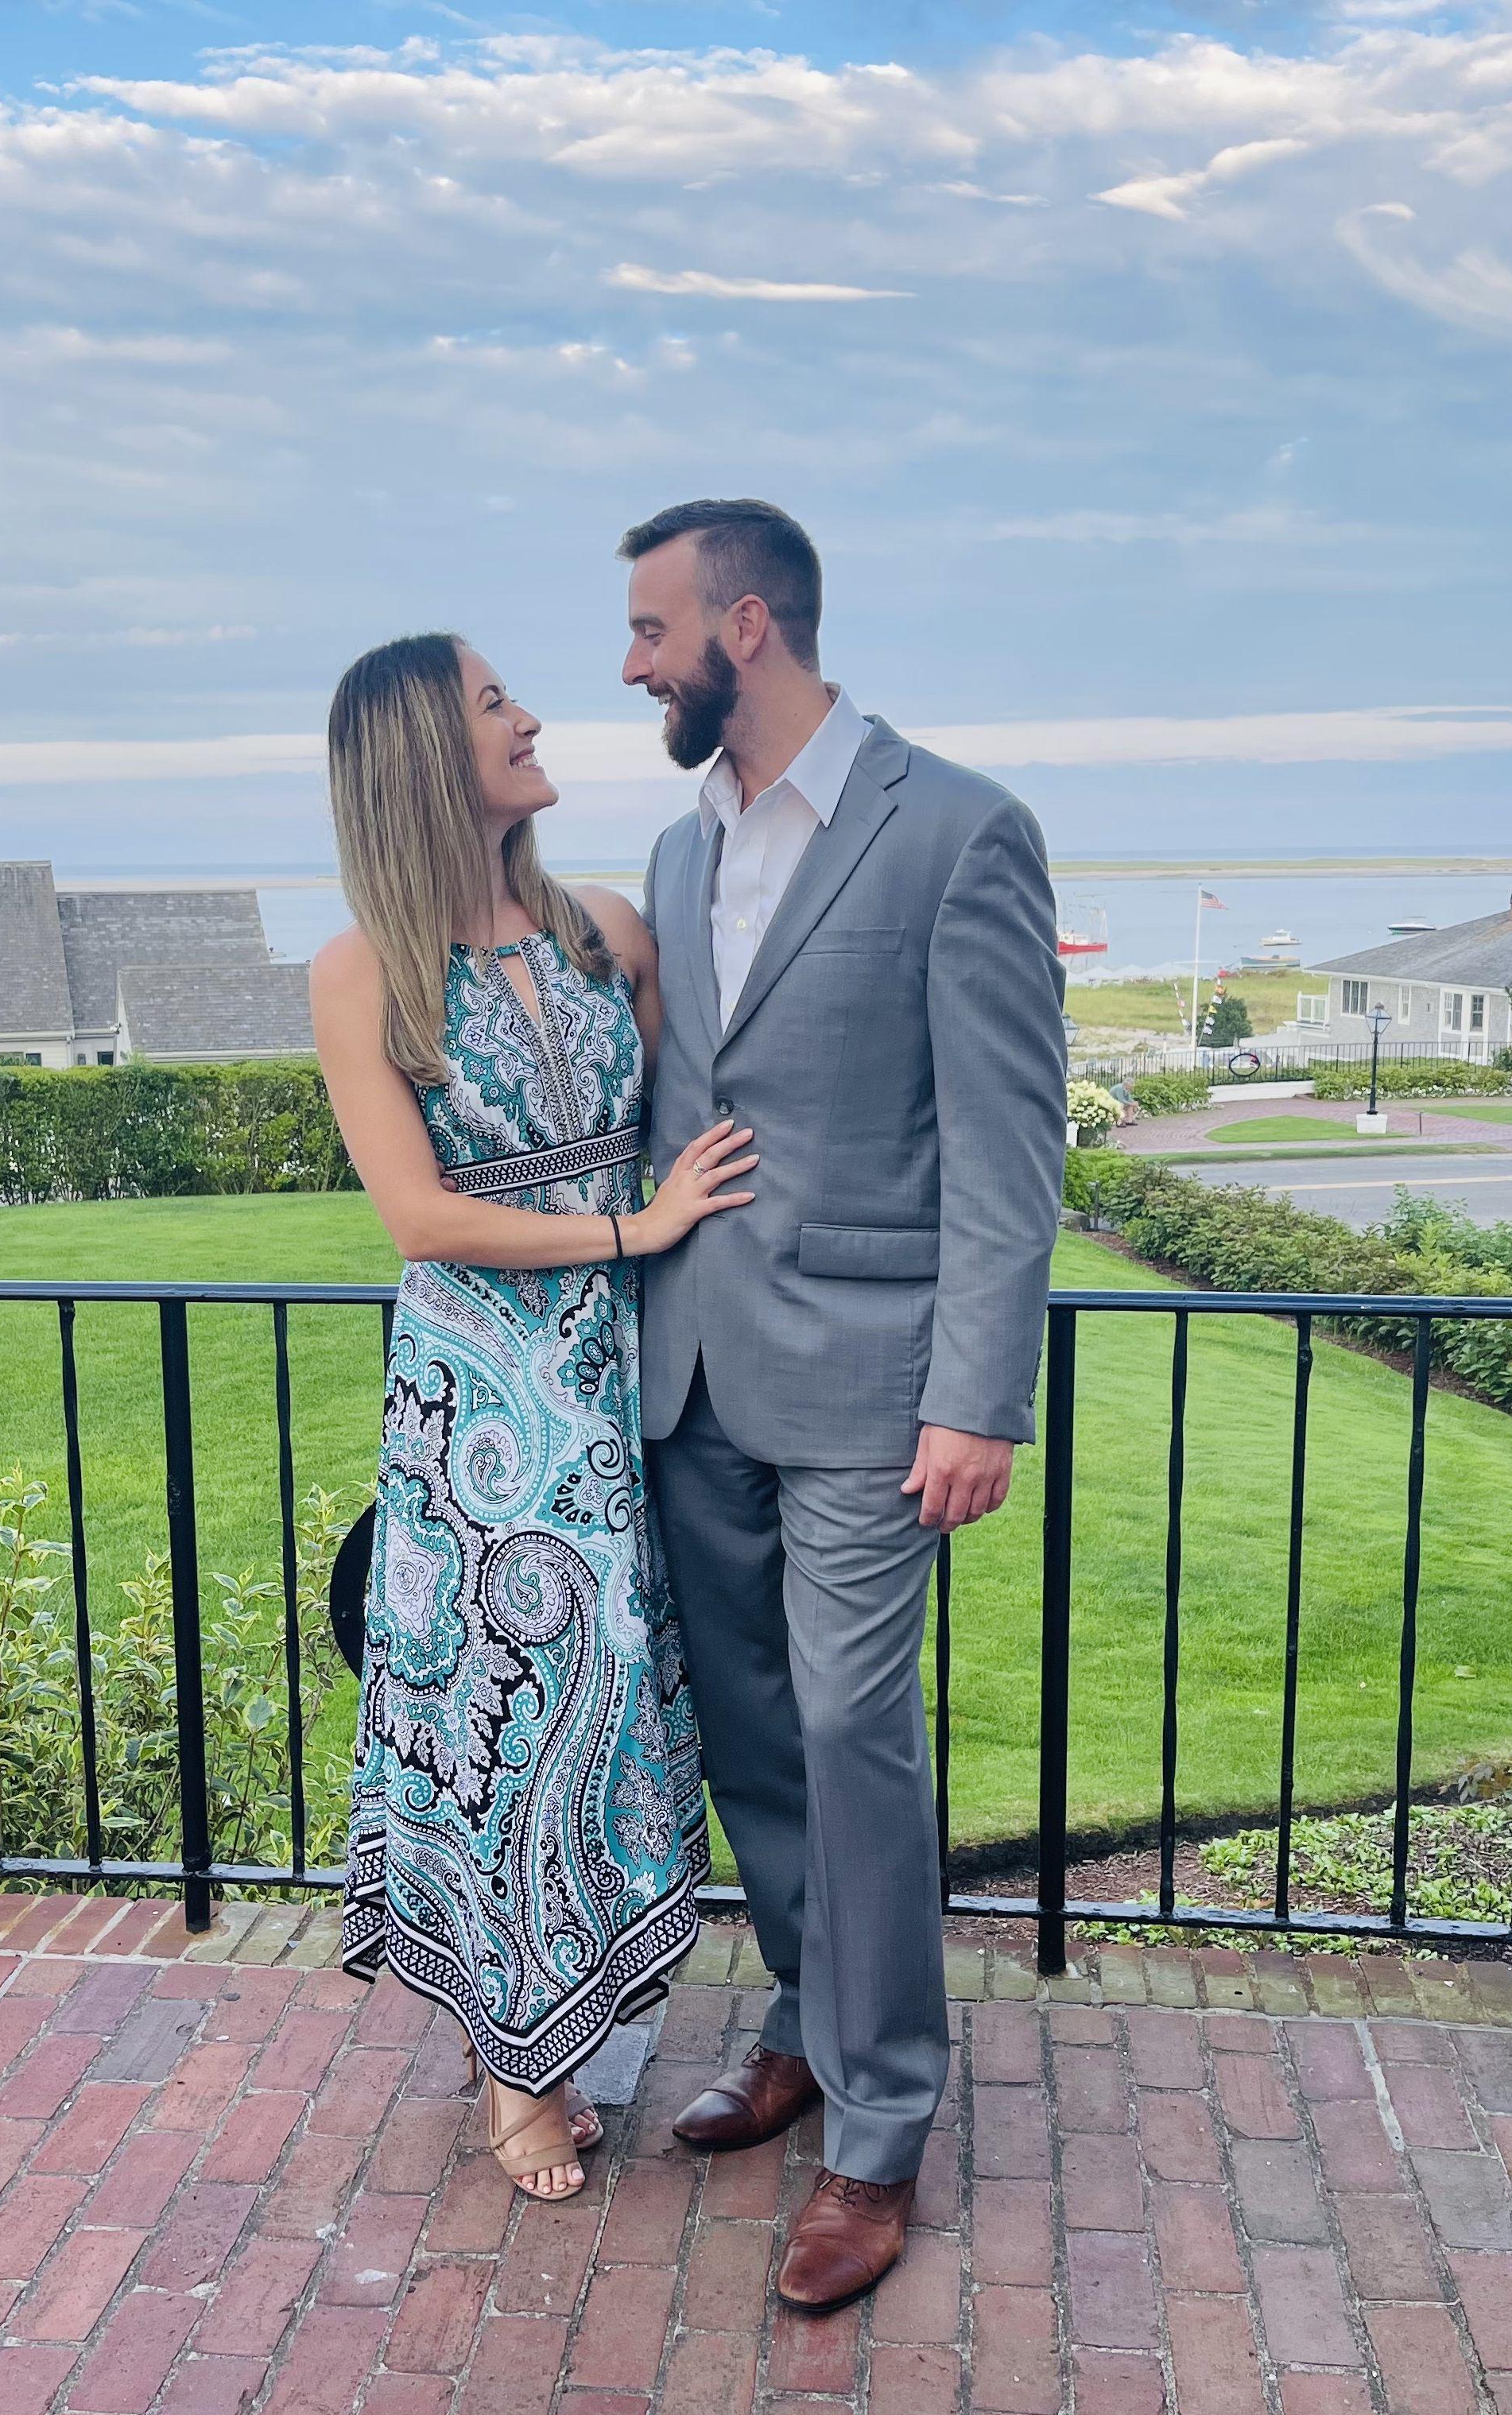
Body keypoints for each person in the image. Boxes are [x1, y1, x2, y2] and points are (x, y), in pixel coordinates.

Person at [621, 499, 1068, 2308]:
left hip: (877, 1389)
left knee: (852, 1732)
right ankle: (805, 2019)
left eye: (648, 627)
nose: (629, 661)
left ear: (744, 625)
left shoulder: (955, 828)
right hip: (694, 1370)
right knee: (754, 1742)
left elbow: (1007, 1139)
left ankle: (880, 2127)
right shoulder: (671, 848)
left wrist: (978, 1393)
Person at [309, 632, 758, 2200]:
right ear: (425, 750)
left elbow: (723, 1088)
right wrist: (633, 1229)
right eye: (496, 702)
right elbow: (419, 1216)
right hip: (480, 1407)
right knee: (508, 1730)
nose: (530, 715)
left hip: (623, 1384)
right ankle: (516, 2063)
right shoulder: (361, 968)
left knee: (621, 1711)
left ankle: (560, 2017)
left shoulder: (605, 934)